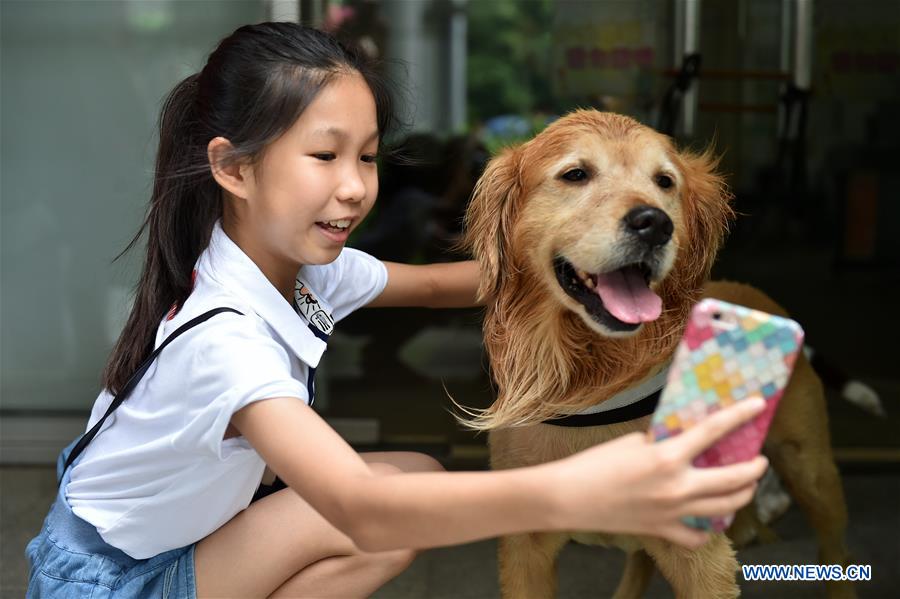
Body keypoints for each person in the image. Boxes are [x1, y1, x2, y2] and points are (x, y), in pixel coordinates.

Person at [25, 22, 769, 599]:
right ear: (234, 167)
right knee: (382, 511)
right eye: (325, 156)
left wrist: (592, 267)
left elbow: (451, 283)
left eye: (369, 156)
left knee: (415, 471)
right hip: (113, 580)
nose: (354, 187)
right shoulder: (226, 341)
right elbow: (361, 508)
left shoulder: (299, 269)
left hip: (152, 543)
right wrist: (575, 490)